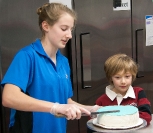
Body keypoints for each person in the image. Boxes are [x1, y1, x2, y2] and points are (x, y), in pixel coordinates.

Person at [1, 3, 100, 133]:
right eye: (64, 29)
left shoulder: (63, 62)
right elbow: (9, 97)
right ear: (46, 26)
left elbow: (64, 101)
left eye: (71, 29)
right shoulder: (27, 56)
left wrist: (90, 109)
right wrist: (54, 107)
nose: (69, 35)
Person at [95, 53, 152, 125]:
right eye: (117, 77)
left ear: (132, 76)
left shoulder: (139, 93)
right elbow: (94, 121)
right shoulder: (101, 101)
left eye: (127, 76)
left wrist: (115, 120)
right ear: (111, 78)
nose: (123, 82)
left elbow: (146, 116)